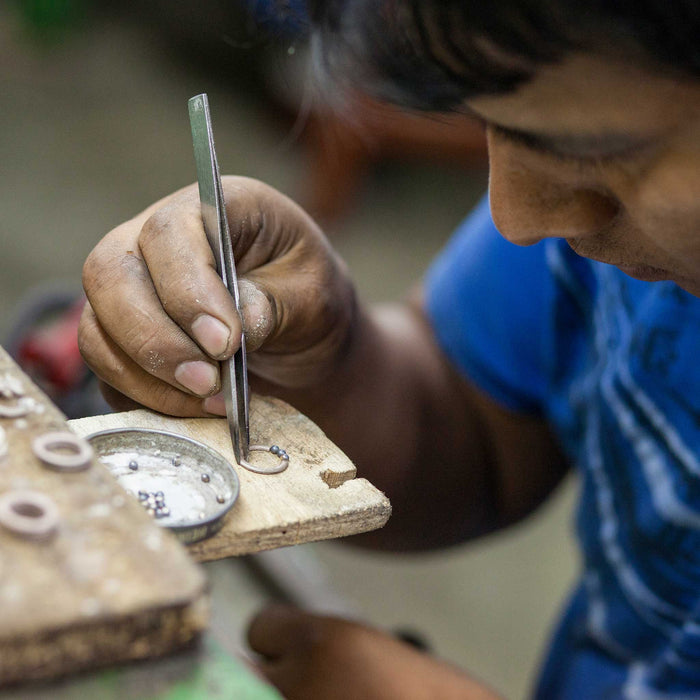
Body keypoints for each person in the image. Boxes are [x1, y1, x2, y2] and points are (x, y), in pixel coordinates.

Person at [78, 1, 700, 697]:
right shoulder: (615, 240)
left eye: (595, 148)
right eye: (496, 122)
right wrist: (327, 364)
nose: (517, 214)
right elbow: (481, 431)